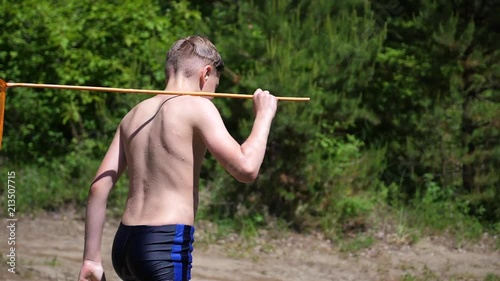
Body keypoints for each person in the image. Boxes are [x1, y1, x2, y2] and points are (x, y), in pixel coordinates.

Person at [78, 35, 278, 281]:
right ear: (205, 74)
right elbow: (246, 169)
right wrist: (264, 116)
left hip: (124, 245)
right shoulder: (198, 106)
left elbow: (98, 187)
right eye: (215, 85)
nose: (214, 94)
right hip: (162, 244)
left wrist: (91, 259)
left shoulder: (133, 115)